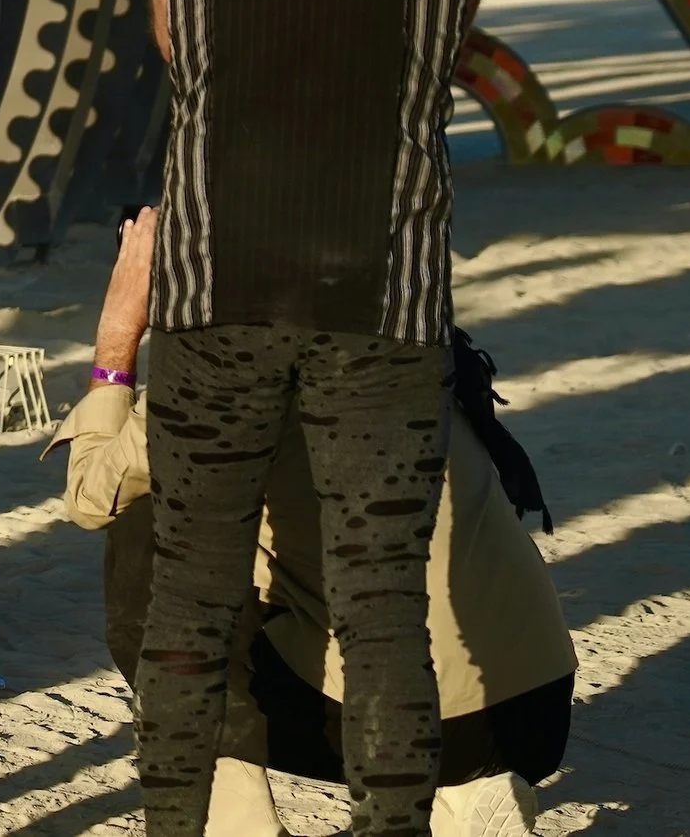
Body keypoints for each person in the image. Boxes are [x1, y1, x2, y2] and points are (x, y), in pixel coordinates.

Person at [138, 0, 503, 835]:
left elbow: (180, 50)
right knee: (379, 599)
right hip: (385, 283)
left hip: (212, 270)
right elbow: (438, 48)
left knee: (189, 597)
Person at [55, 211, 572, 836]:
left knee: (144, 522)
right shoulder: (404, 321)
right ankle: (469, 798)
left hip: (405, 718)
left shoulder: (219, 359)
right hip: (534, 710)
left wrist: (118, 335)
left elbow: (90, 497)